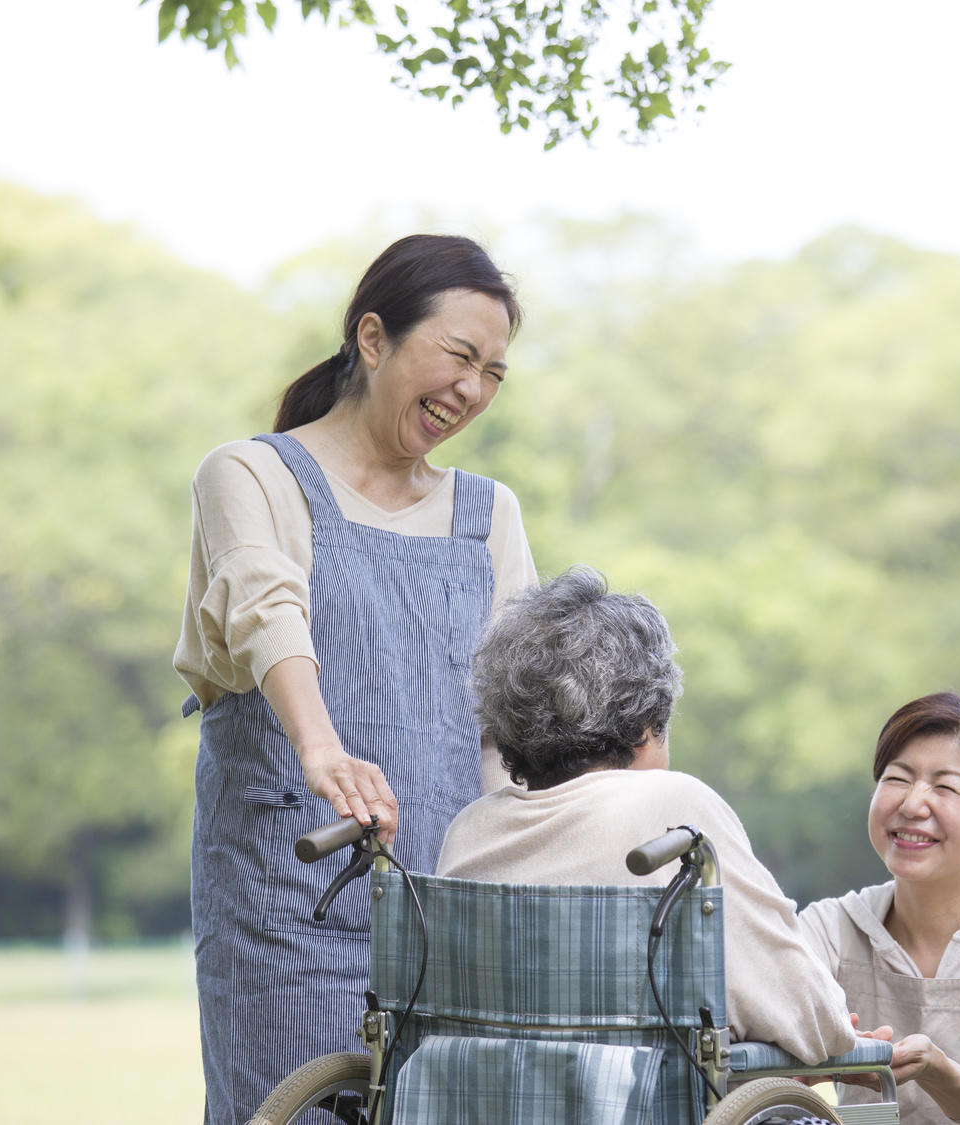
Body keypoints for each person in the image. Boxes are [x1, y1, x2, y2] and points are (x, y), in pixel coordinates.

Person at [173, 234, 538, 1124]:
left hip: (447, 912)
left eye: (494, 370)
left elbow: (513, 720)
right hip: (284, 903)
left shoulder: (489, 516)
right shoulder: (253, 474)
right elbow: (268, 610)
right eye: (458, 355)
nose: (472, 389)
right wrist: (322, 747)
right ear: (372, 338)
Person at [437, 566, 868, 1065]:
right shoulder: (671, 809)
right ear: (644, 725)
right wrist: (835, 1026)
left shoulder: (469, 831)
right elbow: (806, 1016)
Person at [798, 693, 960, 1125]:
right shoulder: (828, 929)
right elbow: (745, 1064)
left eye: (945, 787)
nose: (912, 804)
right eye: (897, 779)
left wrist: (937, 1071)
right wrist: (806, 1063)